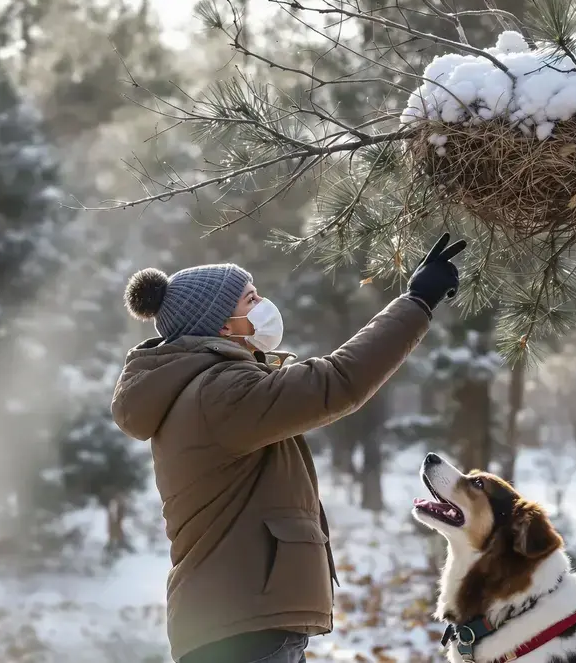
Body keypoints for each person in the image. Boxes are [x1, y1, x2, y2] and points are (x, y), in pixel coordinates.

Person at [111, 233, 467, 663]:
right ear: (223, 325)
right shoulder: (220, 393)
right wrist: (417, 302)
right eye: (251, 299)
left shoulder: (202, 388)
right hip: (243, 628)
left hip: (236, 623)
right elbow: (336, 382)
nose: (264, 306)